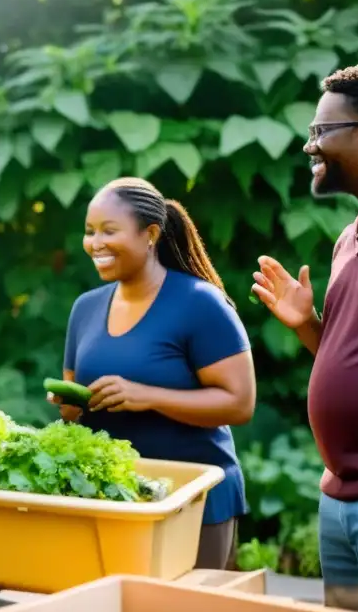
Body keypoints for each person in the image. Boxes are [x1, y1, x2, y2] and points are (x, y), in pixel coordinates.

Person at [49, 177, 256, 570]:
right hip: (111, 499)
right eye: (90, 232)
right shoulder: (86, 309)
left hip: (195, 500)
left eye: (110, 231)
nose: (95, 243)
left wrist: (147, 396)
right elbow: (75, 414)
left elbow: (240, 403)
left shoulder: (199, 303)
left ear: (151, 234)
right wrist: (70, 403)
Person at [252, 62, 358, 612]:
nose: (309, 146)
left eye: (322, 132)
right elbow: (349, 358)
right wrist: (306, 325)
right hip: (341, 496)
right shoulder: (350, 238)